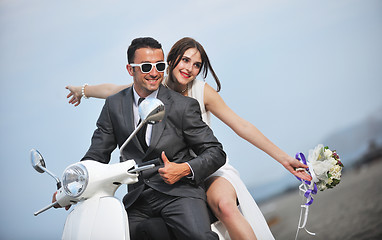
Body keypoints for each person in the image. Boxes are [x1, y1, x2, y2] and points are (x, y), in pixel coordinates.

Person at [66, 37, 312, 240]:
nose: (189, 69)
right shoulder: (142, 86)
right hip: (148, 187)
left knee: (224, 207)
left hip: (203, 167)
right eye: (185, 60)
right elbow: (111, 93)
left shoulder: (196, 95)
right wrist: (82, 90)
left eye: (197, 65)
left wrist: (284, 159)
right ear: (171, 61)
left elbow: (241, 126)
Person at [77, 37, 226, 240]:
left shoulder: (182, 106)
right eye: (146, 66)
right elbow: (97, 153)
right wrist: (75, 183)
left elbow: (216, 152)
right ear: (131, 70)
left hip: (179, 194)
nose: (155, 73)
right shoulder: (114, 106)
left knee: (199, 237)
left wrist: (183, 169)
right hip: (138, 201)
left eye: (160, 65)